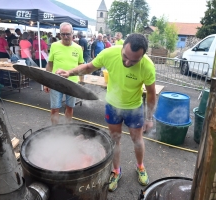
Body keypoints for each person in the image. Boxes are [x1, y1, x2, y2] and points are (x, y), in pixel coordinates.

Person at [55, 33, 156, 192]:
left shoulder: (148, 66)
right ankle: (116, 171)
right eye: (125, 57)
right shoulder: (109, 53)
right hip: (112, 106)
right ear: (122, 48)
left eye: (134, 60)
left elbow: (151, 93)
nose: (128, 62)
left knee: (137, 140)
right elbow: (88, 67)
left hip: (134, 108)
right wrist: (70, 72)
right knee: (114, 139)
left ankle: (140, 166)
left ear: (142, 57)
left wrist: (149, 117)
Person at [44, 22, 84, 125]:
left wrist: (81, 82)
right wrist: (45, 82)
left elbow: (81, 66)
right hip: (56, 82)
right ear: (60, 34)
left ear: (72, 33)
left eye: (68, 34)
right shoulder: (54, 46)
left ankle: (67, 129)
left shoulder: (78, 48)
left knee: (70, 107)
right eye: (63, 34)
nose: (65, 37)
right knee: (55, 108)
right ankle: (55, 130)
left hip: (72, 82)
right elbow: (50, 64)